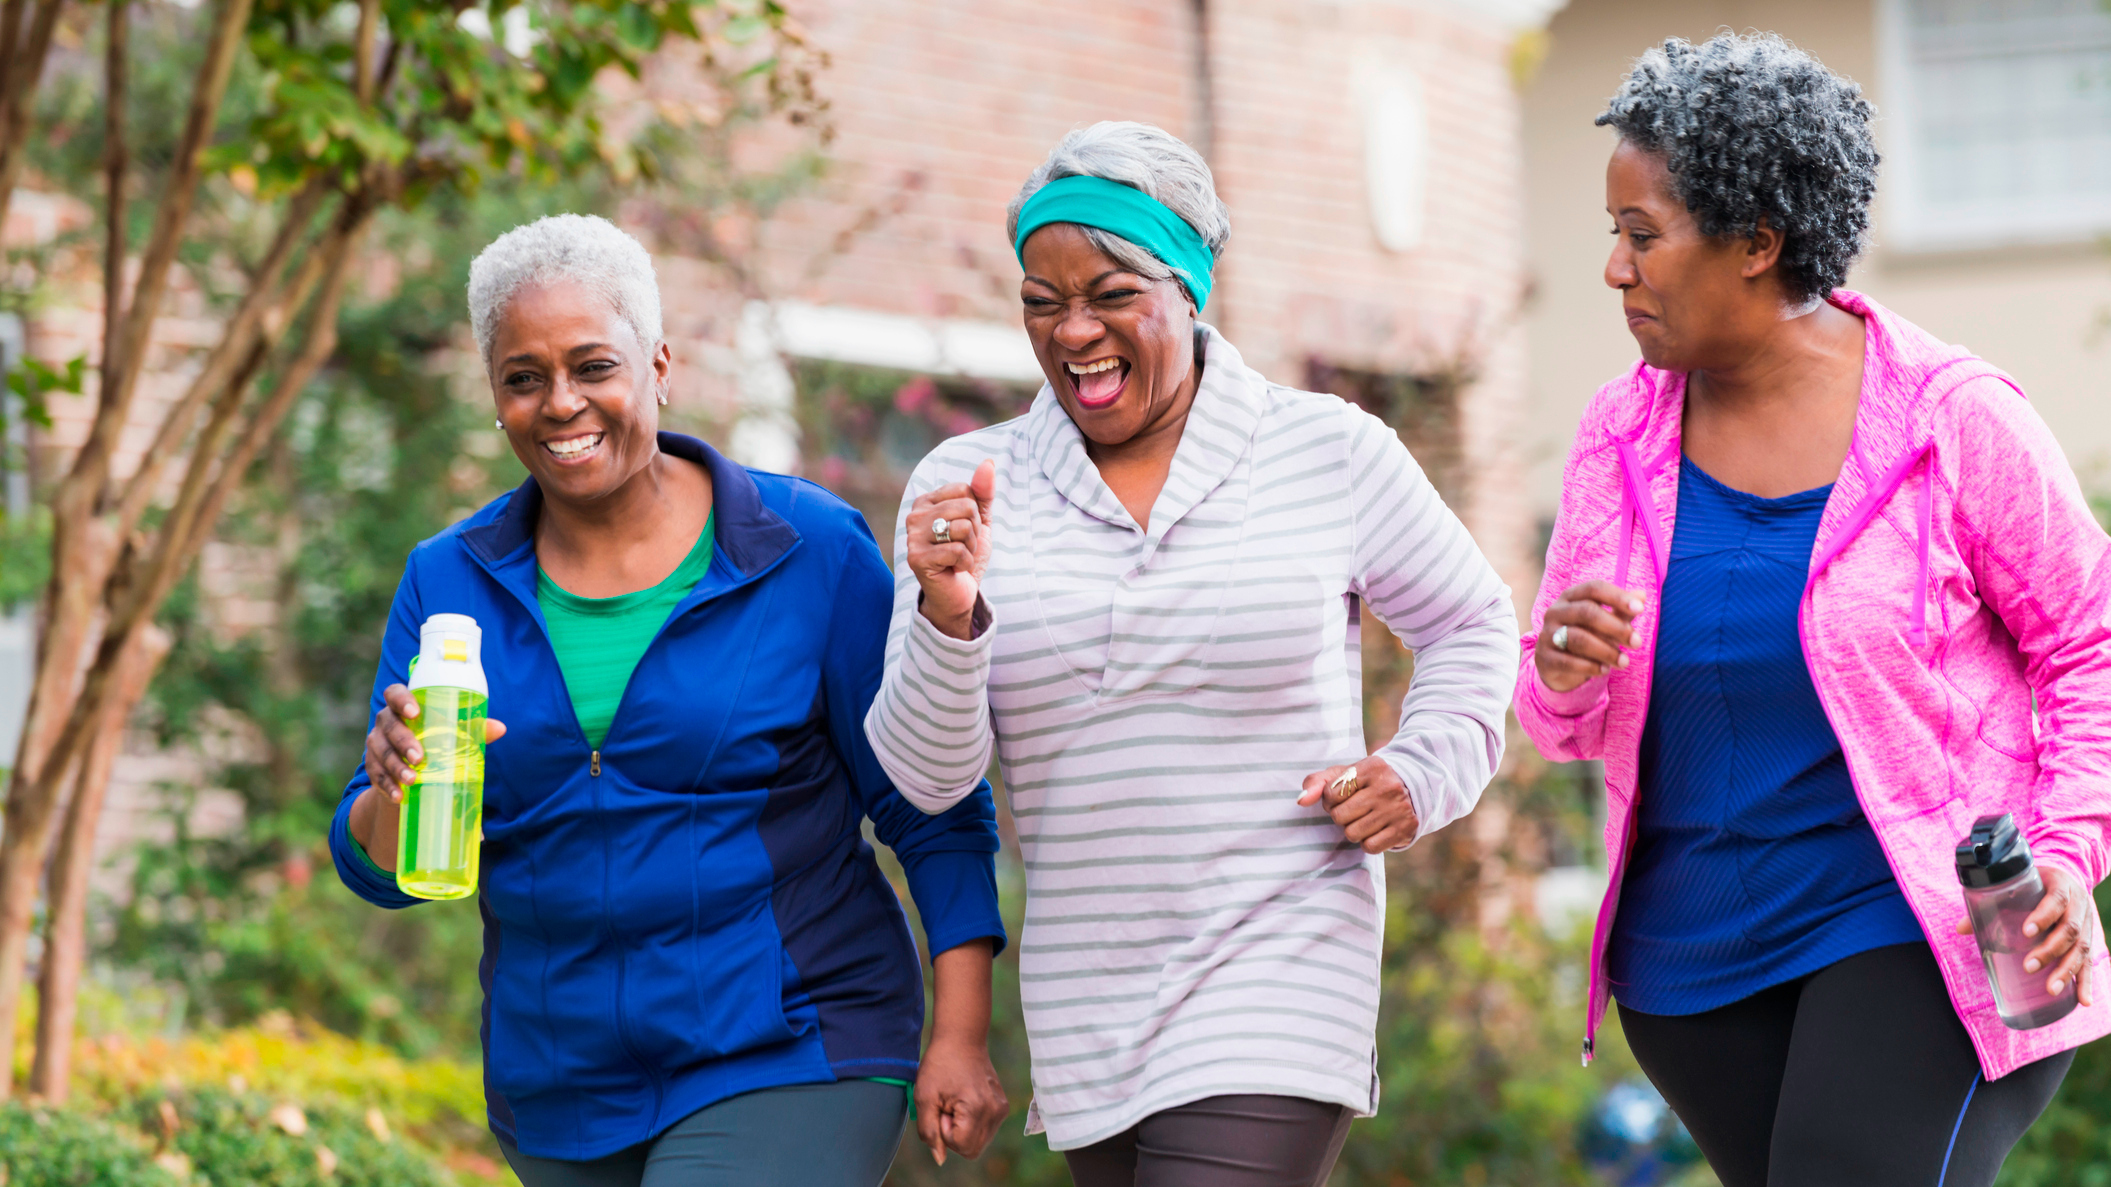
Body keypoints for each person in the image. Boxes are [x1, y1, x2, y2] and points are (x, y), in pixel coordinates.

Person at [862, 121, 1517, 1187]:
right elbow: (931, 779)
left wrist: (1420, 767)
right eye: (1041, 301)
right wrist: (945, 616)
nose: (1073, 332)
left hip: (1281, 965)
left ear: (1188, 286)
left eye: (1111, 293)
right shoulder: (970, 482)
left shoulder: (1325, 450)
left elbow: (1473, 622)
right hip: (1092, 998)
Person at [1519, 33, 2111, 1187]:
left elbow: (2089, 639)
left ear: (1756, 243)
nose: (1613, 271)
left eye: (1642, 238)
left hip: (1922, 926)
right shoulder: (1617, 435)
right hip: (1691, 968)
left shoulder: (1951, 420)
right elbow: (1563, 725)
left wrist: (2062, 851)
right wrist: (1555, 668)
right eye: (1611, 238)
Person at [328, 214, 1009, 1187]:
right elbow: (386, 868)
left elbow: (929, 797)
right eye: (524, 378)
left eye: (591, 365)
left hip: (792, 1043)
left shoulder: (803, 548)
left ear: (658, 366)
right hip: (562, 1083)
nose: (560, 403)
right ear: (495, 396)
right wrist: (390, 789)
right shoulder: (449, 582)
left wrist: (961, 1027)